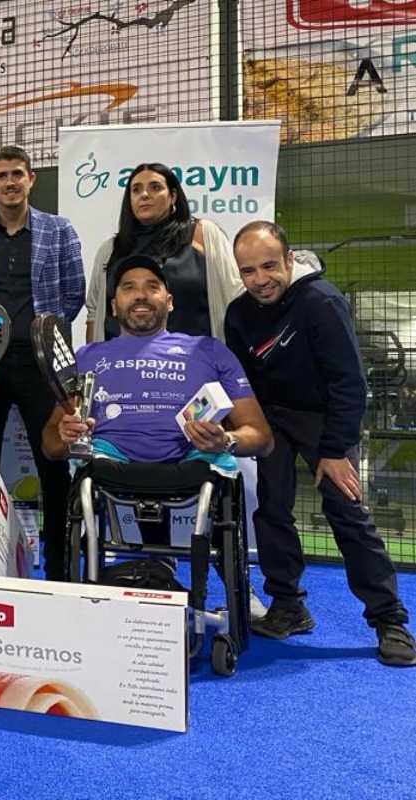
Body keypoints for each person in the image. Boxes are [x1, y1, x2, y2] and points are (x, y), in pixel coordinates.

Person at [226, 221, 414, 666]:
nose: (260, 279)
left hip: (324, 418)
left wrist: (334, 452)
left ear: (289, 260)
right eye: (248, 270)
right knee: (271, 508)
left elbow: (350, 383)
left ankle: (390, 620)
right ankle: (288, 606)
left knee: (346, 509)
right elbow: (244, 385)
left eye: (270, 266)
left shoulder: (321, 302)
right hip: (273, 417)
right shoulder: (238, 314)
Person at [42, 255, 272, 551]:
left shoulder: (210, 351)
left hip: (193, 462)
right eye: (128, 288)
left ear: (170, 301)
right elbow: (50, 445)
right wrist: (64, 435)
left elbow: (261, 437)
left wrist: (225, 440)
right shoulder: (87, 356)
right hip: (107, 463)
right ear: (113, 306)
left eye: (152, 286)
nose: (140, 295)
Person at [0, 145, 85, 581]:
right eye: (2, 175)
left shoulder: (59, 230)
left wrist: (42, 335)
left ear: (31, 180)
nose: (10, 182)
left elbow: (73, 294)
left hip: (41, 364)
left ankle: (61, 570)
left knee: (53, 463)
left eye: (18, 174)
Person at [85, 163, 243, 343]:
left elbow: (234, 297)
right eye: (136, 190)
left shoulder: (204, 235)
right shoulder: (110, 249)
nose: (144, 195)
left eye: (155, 187)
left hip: (194, 363)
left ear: (173, 196)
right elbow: (94, 312)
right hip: (122, 365)